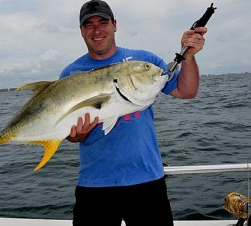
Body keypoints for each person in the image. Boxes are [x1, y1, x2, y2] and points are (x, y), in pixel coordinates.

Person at [59, 1, 207, 225]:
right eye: (88, 25)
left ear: (115, 25)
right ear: (81, 31)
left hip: (147, 181)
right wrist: (77, 135)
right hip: (95, 185)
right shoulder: (71, 74)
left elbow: (186, 91)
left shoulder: (144, 62)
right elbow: (69, 133)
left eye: (103, 22)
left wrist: (189, 57)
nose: (97, 30)